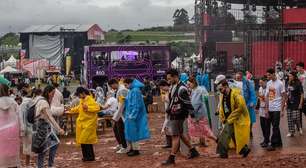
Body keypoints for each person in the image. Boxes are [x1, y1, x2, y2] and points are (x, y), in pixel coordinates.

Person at [162, 69, 199, 166]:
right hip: (175, 114)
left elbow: (188, 103)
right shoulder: (174, 86)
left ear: (175, 77)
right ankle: (193, 150)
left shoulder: (182, 88)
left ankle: (172, 157)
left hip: (178, 115)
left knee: (175, 136)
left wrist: (193, 116)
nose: (168, 81)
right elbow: (173, 101)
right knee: (180, 134)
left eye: (169, 79)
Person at [214, 75, 251, 159]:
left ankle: (223, 153)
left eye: (221, 89)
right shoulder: (222, 95)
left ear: (226, 86)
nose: (220, 91)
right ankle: (244, 150)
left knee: (224, 135)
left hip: (234, 119)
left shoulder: (236, 94)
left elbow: (241, 107)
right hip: (228, 119)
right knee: (234, 136)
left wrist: (230, 118)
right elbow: (222, 107)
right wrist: (222, 117)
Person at [34, 85, 65, 168]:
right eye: (52, 93)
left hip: (40, 126)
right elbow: (50, 117)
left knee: (44, 149)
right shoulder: (44, 102)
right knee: (48, 147)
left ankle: (45, 166)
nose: (53, 95)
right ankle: (49, 165)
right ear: (48, 92)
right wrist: (59, 129)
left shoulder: (40, 99)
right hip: (43, 127)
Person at [69, 87, 101, 161]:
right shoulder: (82, 100)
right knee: (83, 140)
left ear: (83, 93)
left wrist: (88, 108)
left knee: (85, 140)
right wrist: (71, 110)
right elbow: (78, 108)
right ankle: (86, 156)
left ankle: (90, 157)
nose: (79, 97)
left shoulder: (90, 99)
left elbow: (97, 108)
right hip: (83, 123)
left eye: (79, 95)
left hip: (89, 123)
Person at [123, 78, 150, 157]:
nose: (126, 87)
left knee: (133, 132)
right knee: (129, 132)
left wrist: (133, 115)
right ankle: (132, 148)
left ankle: (136, 149)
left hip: (133, 115)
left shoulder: (135, 90)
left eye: (126, 85)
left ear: (130, 83)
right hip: (129, 114)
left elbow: (136, 104)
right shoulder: (132, 90)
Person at [187, 77, 217, 146]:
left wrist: (192, 113)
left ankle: (216, 140)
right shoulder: (195, 90)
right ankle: (202, 142)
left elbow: (196, 103)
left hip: (198, 113)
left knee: (204, 129)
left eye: (189, 84)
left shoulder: (197, 90)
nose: (188, 86)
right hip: (200, 112)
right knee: (202, 128)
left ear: (193, 83)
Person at [265, 68, 286, 151]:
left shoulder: (280, 83)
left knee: (275, 126)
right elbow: (267, 96)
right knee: (274, 126)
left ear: (273, 74)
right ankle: (279, 142)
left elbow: (284, 96)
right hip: (270, 107)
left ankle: (273, 144)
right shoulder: (268, 83)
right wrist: (266, 109)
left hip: (277, 108)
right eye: (267, 75)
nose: (268, 76)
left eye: (269, 75)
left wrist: (282, 109)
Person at [0, 84, 20, 168]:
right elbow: (19, 117)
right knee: (13, 155)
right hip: (13, 132)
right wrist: (21, 132)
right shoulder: (14, 102)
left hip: (1, 133)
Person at [233, 72, 257, 137]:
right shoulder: (233, 84)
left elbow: (252, 92)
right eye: (236, 78)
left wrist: (252, 101)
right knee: (240, 118)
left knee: (250, 118)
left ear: (241, 77)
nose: (237, 79)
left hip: (248, 103)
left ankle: (250, 130)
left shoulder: (247, 83)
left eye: (238, 78)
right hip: (238, 104)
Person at [112, 80, 129, 154]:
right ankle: (122, 145)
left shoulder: (122, 90)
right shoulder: (120, 89)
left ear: (114, 84)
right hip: (120, 113)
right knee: (116, 129)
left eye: (111, 86)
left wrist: (116, 116)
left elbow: (122, 105)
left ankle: (124, 147)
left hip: (123, 113)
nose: (111, 88)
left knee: (120, 130)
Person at [19, 89, 34, 167]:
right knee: (29, 147)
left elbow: (21, 117)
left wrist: (22, 129)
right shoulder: (32, 102)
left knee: (25, 146)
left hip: (24, 127)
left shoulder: (22, 105)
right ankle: (27, 164)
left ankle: (26, 164)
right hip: (31, 126)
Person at [286, 71, 304, 137]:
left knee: (295, 117)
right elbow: (287, 93)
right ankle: (291, 132)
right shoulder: (288, 83)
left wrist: (300, 104)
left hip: (296, 103)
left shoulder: (298, 83)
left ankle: (299, 127)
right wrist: (285, 102)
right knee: (289, 118)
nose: (289, 77)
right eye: (289, 76)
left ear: (294, 76)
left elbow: (302, 94)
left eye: (290, 76)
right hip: (289, 103)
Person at [159, 79, 172, 149]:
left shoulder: (171, 91)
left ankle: (173, 143)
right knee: (167, 127)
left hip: (171, 111)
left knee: (170, 127)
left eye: (162, 88)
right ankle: (168, 143)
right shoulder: (166, 92)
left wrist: (166, 99)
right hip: (167, 111)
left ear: (165, 85)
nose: (162, 90)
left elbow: (172, 101)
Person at [258, 77, 269, 148]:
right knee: (262, 126)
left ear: (265, 82)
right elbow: (259, 98)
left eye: (261, 82)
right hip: (261, 109)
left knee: (267, 126)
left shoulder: (270, 88)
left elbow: (271, 98)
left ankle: (267, 141)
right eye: (259, 83)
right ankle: (265, 139)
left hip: (267, 109)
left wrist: (267, 110)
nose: (260, 84)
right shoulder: (260, 88)